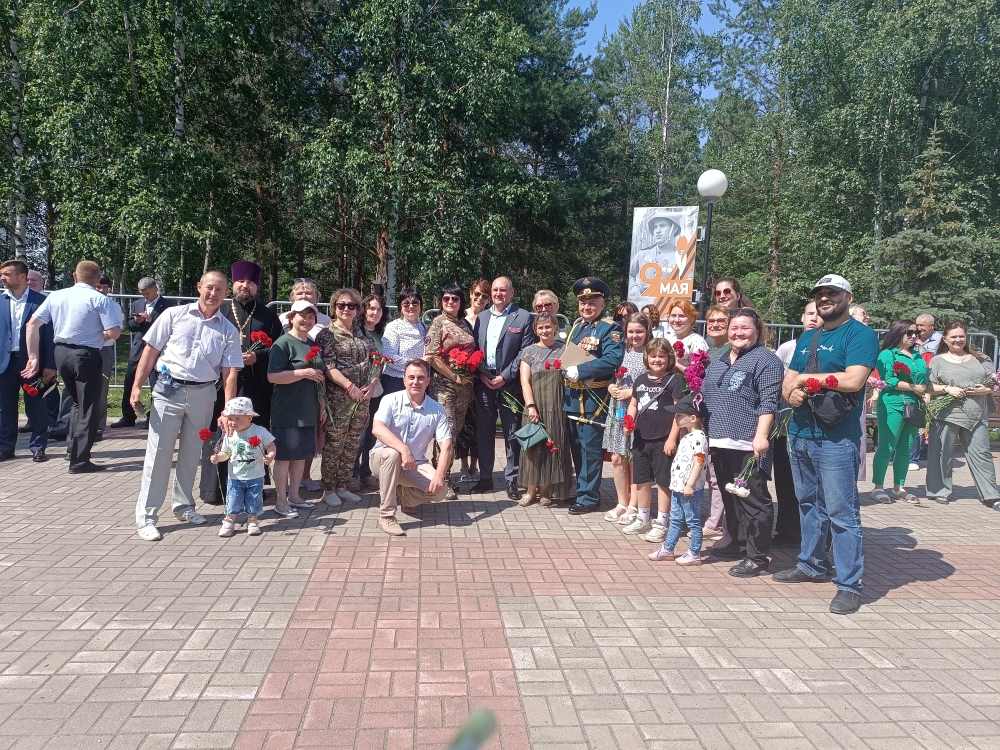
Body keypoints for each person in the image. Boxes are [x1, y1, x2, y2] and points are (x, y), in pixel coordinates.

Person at [774, 273, 878, 615]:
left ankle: (849, 585)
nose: (824, 298)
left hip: (837, 438)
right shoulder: (809, 337)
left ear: (848, 297)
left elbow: (854, 379)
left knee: (841, 513)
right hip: (801, 433)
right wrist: (791, 392)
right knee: (807, 503)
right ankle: (811, 564)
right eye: (820, 294)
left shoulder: (860, 334)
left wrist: (806, 381)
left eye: (832, 293)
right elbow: (789, 380)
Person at [131, 270, 243, 541]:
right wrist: (136, 386)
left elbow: (230, 372)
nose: (213, 293)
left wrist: (228, 409)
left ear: (226, 294)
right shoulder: (173, 315)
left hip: (204, 395)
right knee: (159, 454)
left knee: (193, 453)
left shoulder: (228, 330)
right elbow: (150, 351)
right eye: (209, 287)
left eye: (219, 289)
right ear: (199, 287)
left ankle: (183, 507)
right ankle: (147, 517)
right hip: (168, 391)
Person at [701, 308, 782, 576]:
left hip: (747, 442)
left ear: (757, 330)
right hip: (719, 440)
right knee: (730, 497)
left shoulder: (766, 360)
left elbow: (769, 401)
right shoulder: (720, 359)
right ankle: (737, 542)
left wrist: (761, 436)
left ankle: (758, 556)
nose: (738, 333)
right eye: (734, 328)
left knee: (753, 500)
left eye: (745, 328)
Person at [24, 260, 121, 473]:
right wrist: (97, 336)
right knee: (88, 407)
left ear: (75, 276)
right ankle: (79, 459)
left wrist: (33, 356)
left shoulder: (56, 296)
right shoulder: (100, 299)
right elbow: (114, 332)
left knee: (76, 402)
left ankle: (72, 448)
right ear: (97, 279)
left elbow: (32, 324)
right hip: (86, 354)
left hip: (60, 352)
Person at [200, 261, 283, 505]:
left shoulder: (268, 316)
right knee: (221, 432)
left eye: (250, 282)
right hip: (221, 385)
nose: (245, 286)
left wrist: (257, 356)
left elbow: (277, 348)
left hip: (256, 387)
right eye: (240, 281)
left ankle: (252, 488)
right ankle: (214, 490)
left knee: (252, 433)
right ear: (233, 285)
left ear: (257, 286)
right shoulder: (221, 311)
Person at [370, 359, 452, 536]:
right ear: (404, 380)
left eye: (421, 378)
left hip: (415, 464)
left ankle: (406, 496)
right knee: (392, 454)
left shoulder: (437, 409)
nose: (416, 382)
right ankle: (387, 515)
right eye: (411, 377)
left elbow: (446, 446)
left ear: (428, 381)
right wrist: (404, 449)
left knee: (440, 491)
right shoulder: (390, 400)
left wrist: (439, 475)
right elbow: (377, 428)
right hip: (381, 459)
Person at [563, 277, 624, 514]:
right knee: (577, 449)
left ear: (602, 303)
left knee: (590, 451)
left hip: (594, 399)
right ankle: (582, 491)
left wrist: (581, 370)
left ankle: (588, 498)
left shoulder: (610, 329)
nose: (587, 307)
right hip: (573, 398)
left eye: (592, 302)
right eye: (583, 302)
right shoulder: (577, 327)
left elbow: (612, 359)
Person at [472, 276, 536, 500]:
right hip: (484, 382)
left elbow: (525, 352)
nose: (498, 294)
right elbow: (475, 349)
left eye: (503, 290)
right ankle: (485, 478)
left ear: (511, 293)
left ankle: (512, 480)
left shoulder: (524, 317)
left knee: (511, 432)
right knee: (484, 431)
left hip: (510, 384)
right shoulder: (482, 317)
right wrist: (481, 373)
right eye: (495, 290)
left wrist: (505, 376)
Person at [926, 321, 1000, 509]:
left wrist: (985, 389)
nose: (958, 339)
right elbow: (928, 386)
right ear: (945, 339)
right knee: (941, 453)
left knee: (982, 454)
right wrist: (947, 389)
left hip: (976, 414)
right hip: (946, 414)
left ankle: (990, 494)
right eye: (953, 337)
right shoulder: (938, 361)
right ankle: (939, 491)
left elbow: (993, 382)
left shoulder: (980, 358)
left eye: (961, 336)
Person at [317, 287, 377, 507]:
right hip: (339, 399)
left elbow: (375, 361)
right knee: (335, 444)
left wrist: (372, 384)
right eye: (341, 305)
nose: (346, 309)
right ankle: (328, 488)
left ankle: (342, 485)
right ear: (334, 308)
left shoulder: (362, 334)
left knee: (353, 443)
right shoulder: (327, 334)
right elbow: (328, 367)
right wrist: (349, 386)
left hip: (362, 399)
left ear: (358, 310)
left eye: (351, 306)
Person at [267, 300, 326, 514]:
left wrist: (321, 404)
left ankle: (294, 496)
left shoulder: (310, 342)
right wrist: (302, 373)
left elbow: (319, 376)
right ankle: (281, 501)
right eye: (303, 316)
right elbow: (272, 376)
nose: (307, 321)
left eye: (311, 317)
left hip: (308, 409)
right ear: (292, 317)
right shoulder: (283, 343)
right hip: (288, 410)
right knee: (284, 457)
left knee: (300, 456)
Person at [620, 339, 682, 538]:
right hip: (641, 438)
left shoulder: (674, 380)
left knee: (663, 482)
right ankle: (643, 517)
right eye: (653, 356)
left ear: (669, 358)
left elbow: (679, 412)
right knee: (641, 480)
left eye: (661, 356)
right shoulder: (640, 380)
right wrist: (629, 421)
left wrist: (672, 439)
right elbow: (633, 404)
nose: (657, 360)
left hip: (663, 439)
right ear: (647, 357)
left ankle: (662, 521)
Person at [771, 301, 821, 547]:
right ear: (802, 317)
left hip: (816, 425)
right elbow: (777, 379)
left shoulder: (829, 347)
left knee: (811, 484)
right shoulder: (788, 347)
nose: (813, 318)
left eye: (818, 314)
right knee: (785, 479)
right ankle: (786, 529)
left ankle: (814, 534)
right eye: (809, 313)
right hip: (785, 422)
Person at [424, 282, 476, 501]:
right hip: (444, 386)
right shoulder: (438, 323)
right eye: (446, 298)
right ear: (441, 301)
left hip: (464, 388)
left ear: (461, 302)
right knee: (447, 431)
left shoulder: (465, 324)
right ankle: (442, 480)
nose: (451, 302)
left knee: (455, 432)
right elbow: (431, 356)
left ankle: (443, 475)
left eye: (455, 299)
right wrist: (454, 376)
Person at [277, 278, 330, 493]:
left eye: (309, 293)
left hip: (314, 389)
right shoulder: (282, 323)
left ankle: (303, 479)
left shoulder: (325, 322)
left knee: (310, 437)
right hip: (289, 390)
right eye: (300, 293)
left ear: (317, 298)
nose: (305, 296)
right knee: (288, 443)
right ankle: (285, 489)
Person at [516, 312, 573, 505]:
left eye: (548, 326)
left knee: (553, 447)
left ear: (555, 328)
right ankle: (530, 491)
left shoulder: (564, 349)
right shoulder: (528, 351)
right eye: (540, 327)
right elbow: (525, 381)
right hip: (535, 405)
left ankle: (547, 490)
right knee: (532, 448)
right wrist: (531, 406)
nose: (544, 330)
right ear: (535, 330)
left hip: (556, 405)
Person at [0, 259, 54, 462]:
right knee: (5, 407)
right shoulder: (1, 301)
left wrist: (50, 364)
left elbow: (50, 335)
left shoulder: (41, 301)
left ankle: (38, 447)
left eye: (6, 274)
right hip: (5, 363)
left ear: (22, 276)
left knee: (36, 404)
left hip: (32, 363)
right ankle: (5, 447)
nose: (2, 278)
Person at [870, 320, 927, 504]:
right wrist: (914, 387)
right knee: (887, 446)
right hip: (892, 403)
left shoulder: (917, 356)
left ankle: (899, 487)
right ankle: (878, 486)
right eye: (909, 333)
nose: (913, 336)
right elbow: (889, 380)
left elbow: (924, 381)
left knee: (906, 447)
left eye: (916, 333)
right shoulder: (888, 354)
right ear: (898, 333)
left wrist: (926, 391)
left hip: (914, 405)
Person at [648, 394, 708, 566]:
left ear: (693, 418)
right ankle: (668, 549)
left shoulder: (699, 437)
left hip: (689, 488)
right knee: (675, 518)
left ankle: (694, 553)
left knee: (693, 521)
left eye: (680, 415)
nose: (676, 418)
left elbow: (699, 461)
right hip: (678, 486)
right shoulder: (687, 436)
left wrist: (690, 484)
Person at [603, 312, 650, 524]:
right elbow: (612, 376)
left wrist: (632, 392)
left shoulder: (650, 353)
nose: (634, 335)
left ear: (647, 331)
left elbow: (655, 381)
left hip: (639, 408)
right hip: (618, 408)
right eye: (631, 331)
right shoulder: (620, 351)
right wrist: (611, 386)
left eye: (639, 331)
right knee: (617, 457)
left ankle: (633, 505)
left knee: (634, 459)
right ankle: (621, 502)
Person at [210, 397, 277, 538]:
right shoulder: (230, 434)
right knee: (233, 500)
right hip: (235, 477)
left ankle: (252, 521)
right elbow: (226, 453)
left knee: (254, 500)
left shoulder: (259, 431)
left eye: (237, 418)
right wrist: (218, 458)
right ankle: (229, 521)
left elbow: (271, 445)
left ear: (249, 418)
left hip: (255, 476)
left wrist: (270, 455)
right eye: (230, 418)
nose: (233, 422)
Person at [112, 277, 172, 428]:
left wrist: (149, 319)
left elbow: (168, 327)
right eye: (142, 293)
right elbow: (130, 326)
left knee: (156, 383)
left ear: (155, 289)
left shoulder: (168, 306)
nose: (145, 296)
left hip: (158, 349)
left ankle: (152, 418)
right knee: (129, 380)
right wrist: (137, 321)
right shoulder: (137, 303)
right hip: (138, 347)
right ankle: (128, 416)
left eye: (147, 293)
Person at [354, 293, 387, 490]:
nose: (375, 312)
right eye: (371, 308)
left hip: (375, 390)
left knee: (370, 434)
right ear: (364, 310)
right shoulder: (356, 332)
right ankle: (352, 474)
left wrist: (374, 382)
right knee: (356, 434)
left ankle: (365, 472)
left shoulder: (379, 334)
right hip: (357, 390)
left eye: (379, 309)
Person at [459, 279, 490, 481]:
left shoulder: (489, 318)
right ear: (470, 294)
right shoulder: (461, 316)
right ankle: (462, 465)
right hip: (461, 377)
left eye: (484, 296)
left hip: (481, 378)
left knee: (479, 423)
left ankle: (474, 465)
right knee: (462, 423)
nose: (480, 299)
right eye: (477, 294)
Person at [381, 287, 426, 394]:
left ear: (420, 306)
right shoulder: (393, 327)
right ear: (400, 307)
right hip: (396, 380)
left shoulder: (424, 327)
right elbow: (389, 356)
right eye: (406, 304)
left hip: (418, 381)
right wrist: (416, 367)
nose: (411, 306)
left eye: (415, 303)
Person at [94, 275, 123, 436]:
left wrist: (92, 337)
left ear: (108, 288)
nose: (100, 290)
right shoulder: (86, 302)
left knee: (101, 389)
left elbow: (116, 330)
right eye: (97, 286)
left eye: (103, 287)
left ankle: (98, 426)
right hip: (84, 349)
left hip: (104, 349)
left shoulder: (114, 306)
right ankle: (67, 423)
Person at [654, 298, 708, 375]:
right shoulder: (668, 339)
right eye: (673, 315)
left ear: (692, 319)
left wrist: (676, 365)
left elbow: (698, 374)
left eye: (682, 316)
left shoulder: (697, 342)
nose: (677, 320)